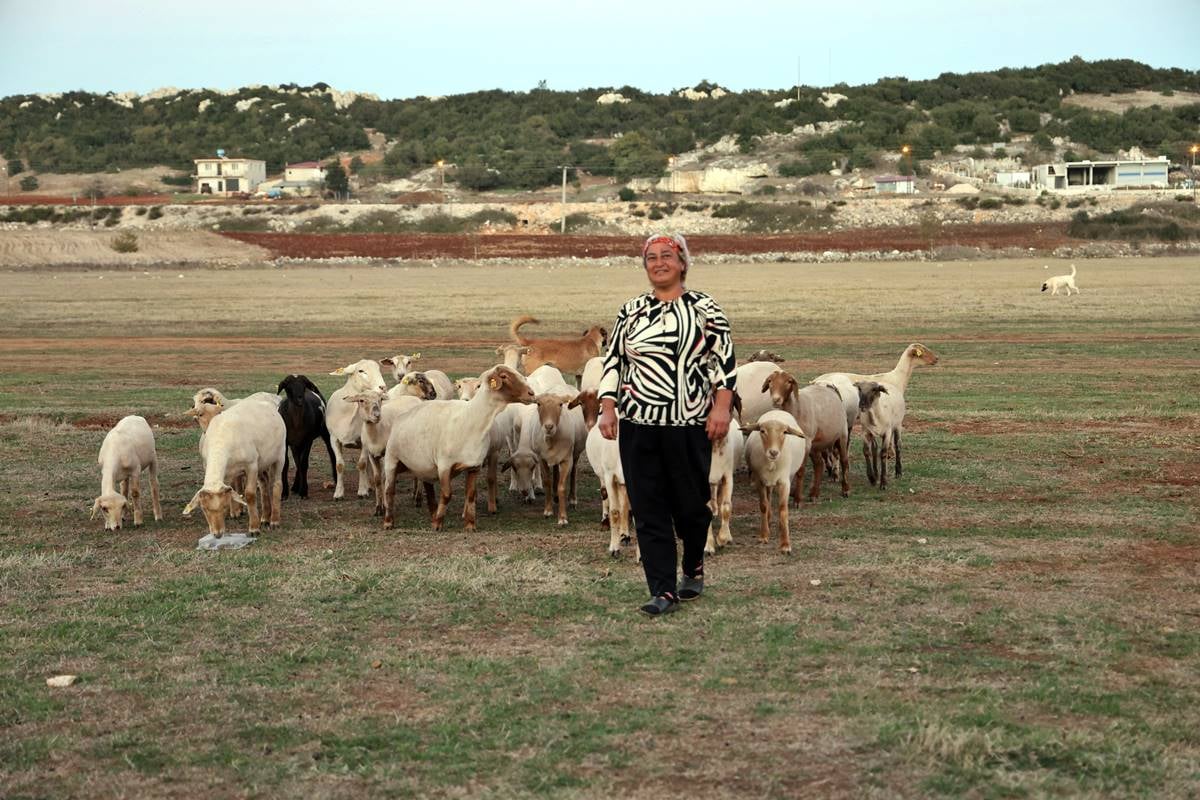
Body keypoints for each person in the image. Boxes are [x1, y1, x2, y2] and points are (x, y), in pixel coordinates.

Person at [596, 233, 736, 616]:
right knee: (647, 505)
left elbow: (723, 364)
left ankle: (693, 565)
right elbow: (614, 363)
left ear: (682, 263)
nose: (659, 263)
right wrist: (608, 408)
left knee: (691, 507)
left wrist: (721, 409)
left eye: (667, 256)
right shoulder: (631, 311)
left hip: (688, 422)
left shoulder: (706, 309)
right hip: (639, 423)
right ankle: (662, 589)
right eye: (651, 258)